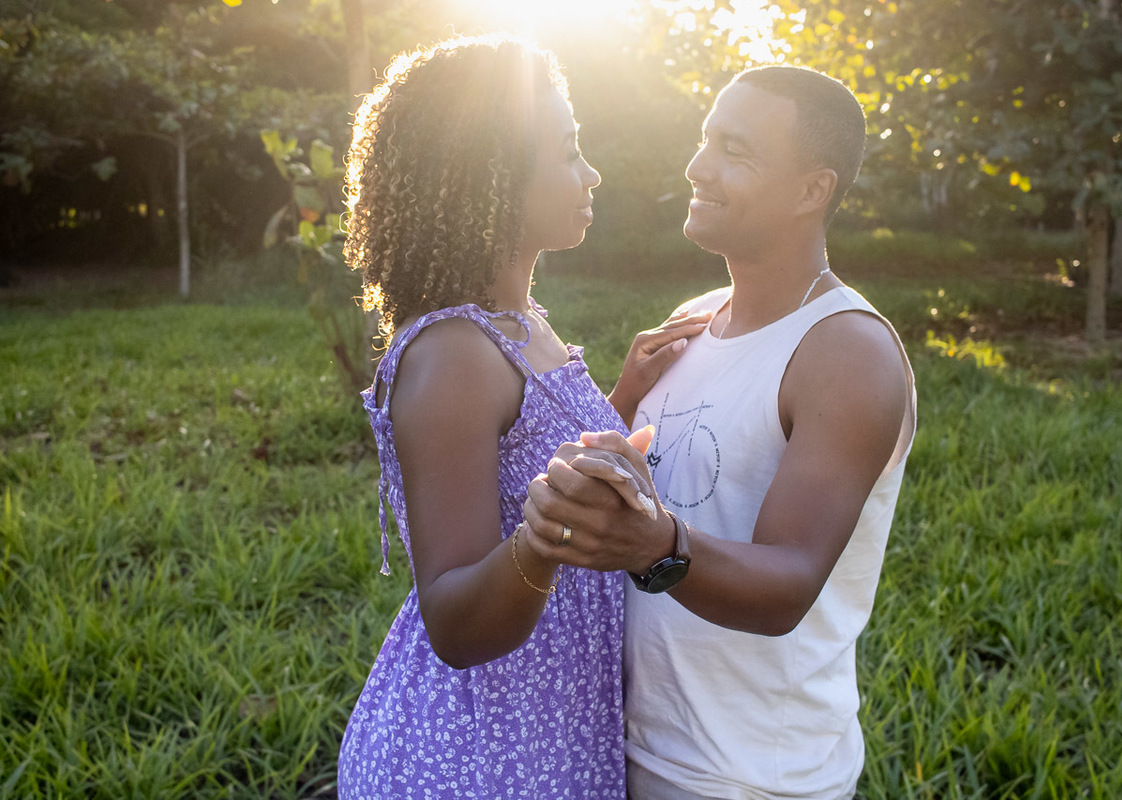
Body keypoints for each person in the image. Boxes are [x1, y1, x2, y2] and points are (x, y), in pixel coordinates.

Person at [521, 65, 918, 799]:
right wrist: (621, 400)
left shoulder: (845, 353)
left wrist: (657, 547)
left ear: (811, 191)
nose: (698, 167)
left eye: (736, 151)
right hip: (633, 742)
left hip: (746, 775)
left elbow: (786, 585)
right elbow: (653, 488)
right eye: (706, 140)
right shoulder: (696, 319)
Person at [335, 35, 709, 799]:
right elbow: (455, 624)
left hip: (545, 728)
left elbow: (524, 464)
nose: (591, 172)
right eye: (568, 150)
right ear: (491, 176)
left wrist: (622, 397)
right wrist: (544, 543)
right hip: (477, 758)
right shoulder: (453, 357)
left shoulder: (517, 323)